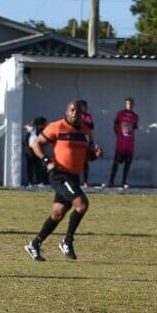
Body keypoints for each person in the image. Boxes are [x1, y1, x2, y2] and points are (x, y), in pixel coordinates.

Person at [24, 100, 104, 261]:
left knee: (58, 214)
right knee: (82, 204)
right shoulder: (56, 127)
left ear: (83, 114)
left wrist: (96, 155)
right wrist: (47, 161)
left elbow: (87, 156)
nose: (75, 113)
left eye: (79, 111)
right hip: (59, 174)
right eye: (72, 110)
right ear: (67, 111)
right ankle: (67, 241)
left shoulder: (87, 132)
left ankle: (34, 244)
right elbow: (36, 143)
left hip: (74, 177)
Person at [105, 96, 139, 189]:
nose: (129, 105)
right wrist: (119, 135)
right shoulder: (120, 114)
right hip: (121, 143)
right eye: (127, 103)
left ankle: (124, 182)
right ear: (125, 104)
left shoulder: (135, 116)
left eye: (131, 104)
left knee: (127, 163)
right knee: (116, 162)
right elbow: (115, 125)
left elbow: (134, 127)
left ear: (133, 105)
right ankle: (111, 181)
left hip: (130, 143)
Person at [24, 117, 48, 187]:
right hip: (30, 150)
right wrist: (28, 150)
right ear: (39, 124)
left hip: (38, 150)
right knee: (30, 166)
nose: (46, 125)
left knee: (38, 166)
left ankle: (39, 182)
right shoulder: (31, 130)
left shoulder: (42, 131)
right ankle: (30, 182)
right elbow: (25, 140)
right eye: (44, 124)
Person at [78, 100, 94, 187]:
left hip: (86, 139)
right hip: (77, 139)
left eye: (86, 107)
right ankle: (75, 180)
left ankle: (85, 181)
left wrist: (86, 123)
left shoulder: (88, 116)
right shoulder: (76, 115)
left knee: (85, 161)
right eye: (84, 106)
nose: (86, 108)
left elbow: (92, 126)